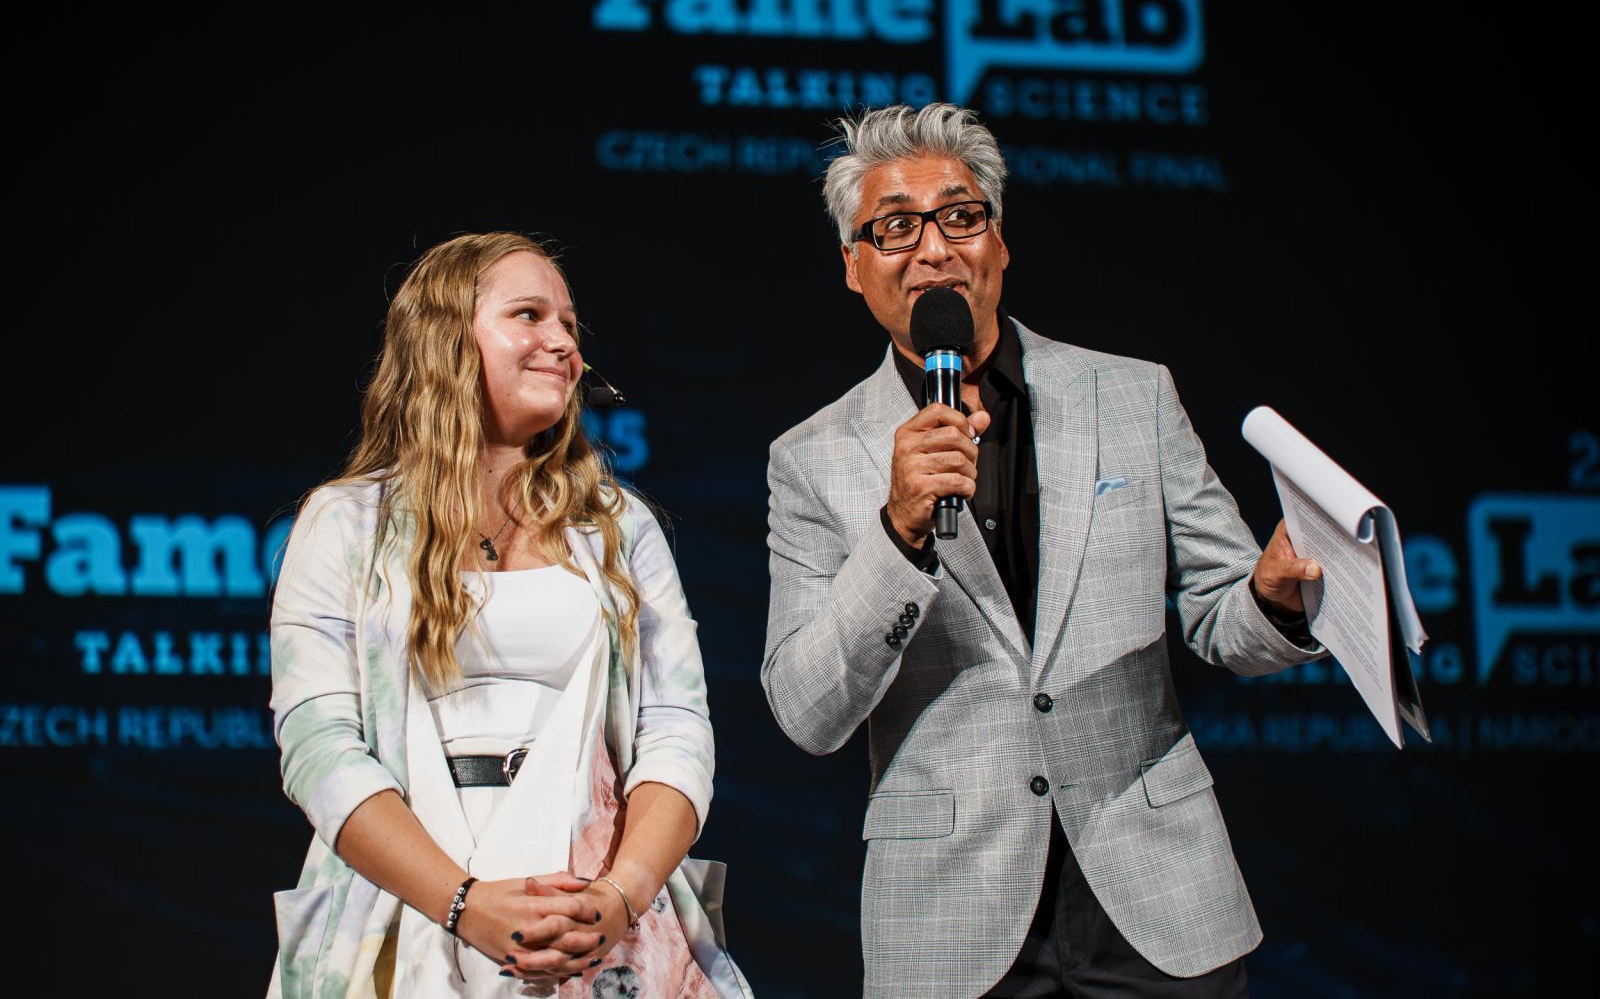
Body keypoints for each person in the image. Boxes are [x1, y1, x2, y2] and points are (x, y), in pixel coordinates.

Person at [761, 104, 1329, 998]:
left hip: (1154, 893)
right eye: (896, 227)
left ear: (999, 239)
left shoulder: (1132, 396)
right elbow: (807, 710)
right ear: (853, 264)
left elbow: (1227, 620)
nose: (934, 248)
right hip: (952, 915)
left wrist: (1274, 595)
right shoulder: (811, 457)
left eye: (960, 215)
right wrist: (898, 531)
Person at [268, 232, 751, 998]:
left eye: (570, 325)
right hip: (404, 907)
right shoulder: (346, 523)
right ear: (445, 339)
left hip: (592, 912)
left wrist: (617, 898)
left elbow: (678, 731)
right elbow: (318, 742)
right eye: (529, 315)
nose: (563, 343)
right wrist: (464, 903)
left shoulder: (618, 528)